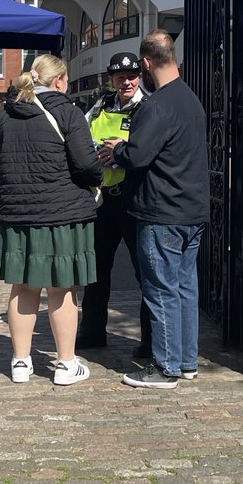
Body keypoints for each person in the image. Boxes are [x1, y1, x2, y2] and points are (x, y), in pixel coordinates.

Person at [0, 54, 102, 386]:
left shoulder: (6, 114)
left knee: (22, 286)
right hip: (60, 212)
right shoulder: (68, 112)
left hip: (16, 214)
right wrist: (101, 174)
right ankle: (66, 364)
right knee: (61, 288)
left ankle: (20, 362)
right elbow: (85, 165)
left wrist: (1, 207)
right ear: (60, 81)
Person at [101, 30, 209, 389]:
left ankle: (165, 367)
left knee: (161, 291)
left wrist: (117, 149)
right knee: (185, 289)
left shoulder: (156, 104)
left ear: (146, 63)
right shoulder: (191, 99)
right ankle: (186, 361)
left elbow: (138, 155)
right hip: (192, 209)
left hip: (161, 210)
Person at [75, 52, 152, 356]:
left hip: (134, 197)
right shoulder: (100, 106)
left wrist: (120, 152)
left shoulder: (148, 108)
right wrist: (94, 152)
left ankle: (149, 341)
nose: (127, 81)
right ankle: (92, 332)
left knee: (144, 273)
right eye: (120, 77)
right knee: (96, 271)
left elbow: (149, 148)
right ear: (111, 79)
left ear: (139, 76)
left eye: (132, 75)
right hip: (102, 199)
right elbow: (81, 136)